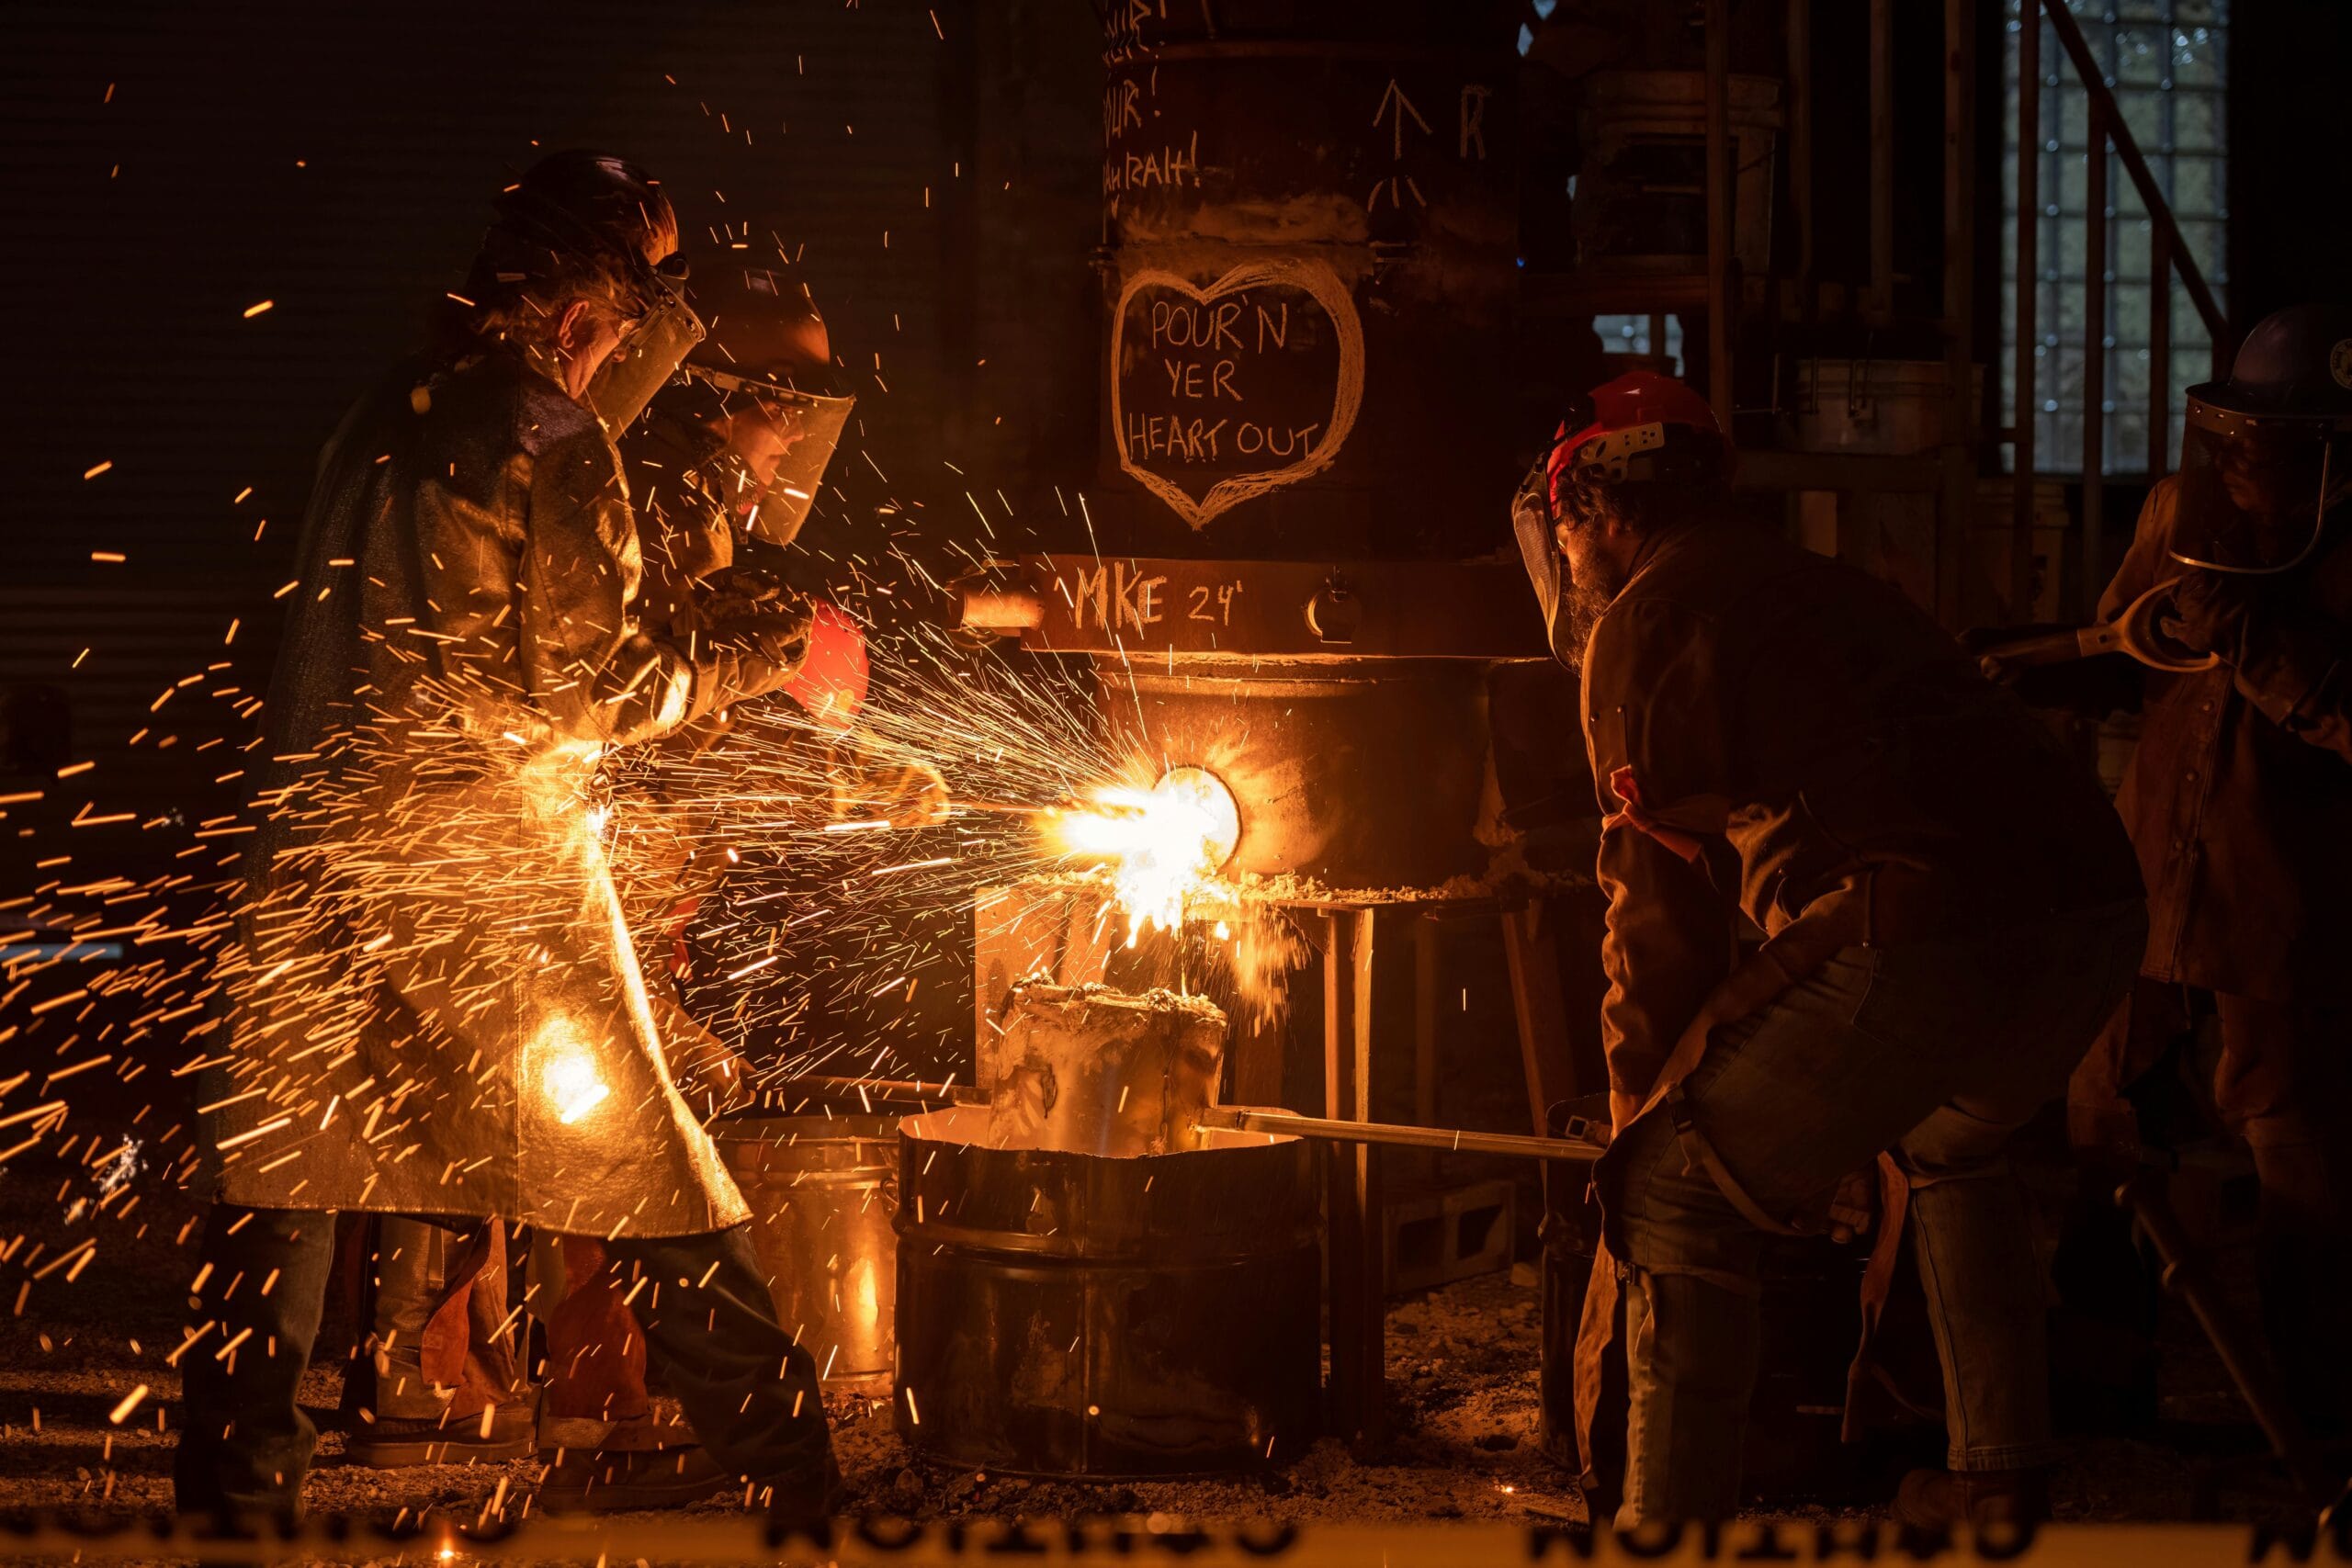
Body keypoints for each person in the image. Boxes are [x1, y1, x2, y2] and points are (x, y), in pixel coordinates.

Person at [177, 152, 840, 1525]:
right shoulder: (553, 434)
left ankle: (230, 1518)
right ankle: (809, 1495)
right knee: (649, 1177)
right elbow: (596, 688)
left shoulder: (382, 412)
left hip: (314, 871)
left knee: (280, 1191)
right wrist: (752, 643)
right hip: (494, 889)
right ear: (595, 314)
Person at [1510, 371, 2145, 1525]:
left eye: (1563, 525)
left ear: (1602, 512)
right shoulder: (1812, 584)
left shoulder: (1647, 618)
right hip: (2090, 916)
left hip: (1927, 928)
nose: (1563, 551)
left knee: (1672, 1193)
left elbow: (1655, 918)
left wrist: (1640, 1114)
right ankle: (1999, 1481)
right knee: (1949, 1142)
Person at [2064, 301, 2352, 1436]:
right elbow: (2121, 638)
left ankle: (2321, 1432)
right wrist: (2161, 625)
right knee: (2102, 1128)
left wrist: (2258, 640)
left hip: (2284, 912)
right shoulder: (2186, 513)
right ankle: (2097, 1389)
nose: (2251, 467)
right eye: (2240, 442)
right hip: (2150, 892)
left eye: (2278, 446)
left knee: (2303, 1173)